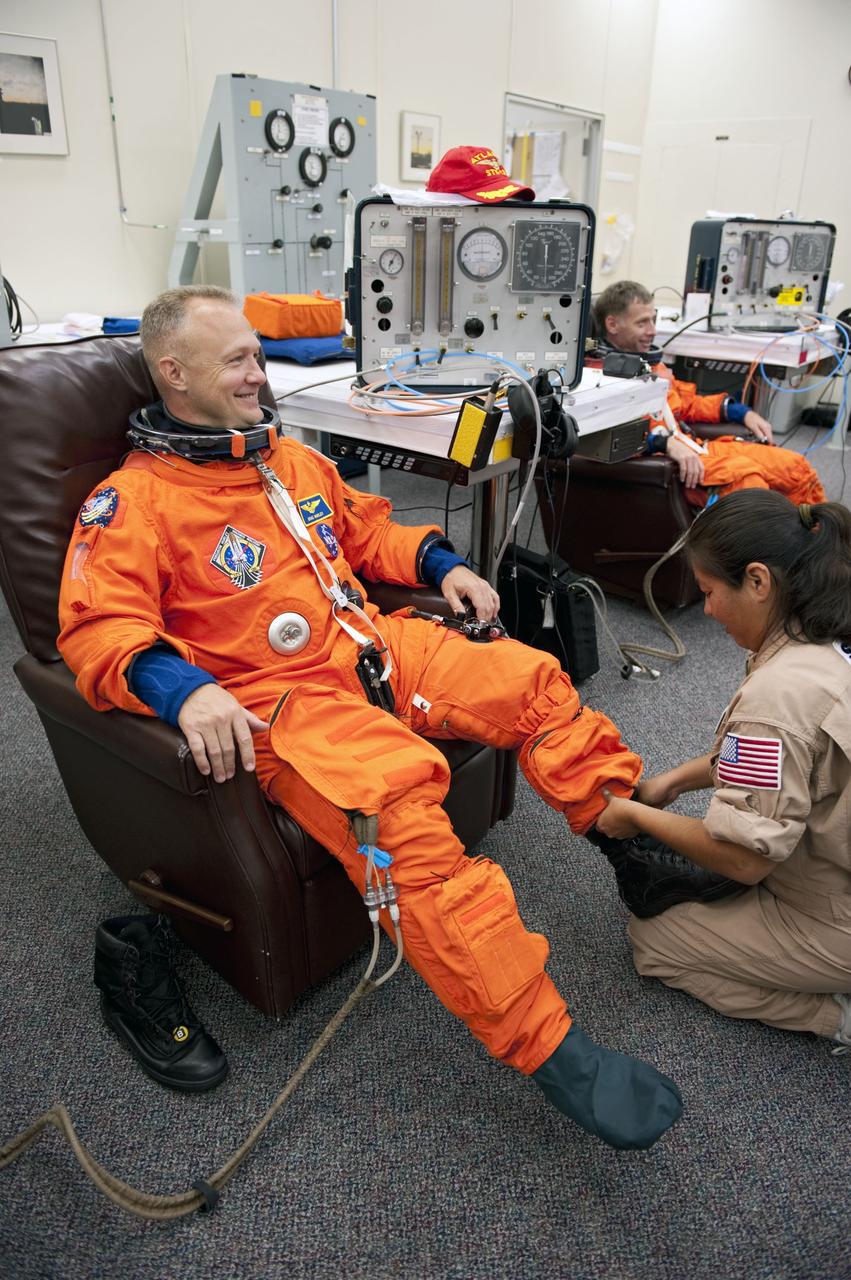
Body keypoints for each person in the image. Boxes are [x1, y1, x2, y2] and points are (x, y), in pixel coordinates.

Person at [57, 284, 683, 1149]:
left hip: (375, 648)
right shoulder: (134, 504)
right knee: (407, 825)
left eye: (254, 353)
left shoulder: (288, 461)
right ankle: (554, 1054)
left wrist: (441, 561)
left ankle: (626, 843)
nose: (256, 371)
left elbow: (362, 531)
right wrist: (184, 691)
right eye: (237, 358)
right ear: (173, 372)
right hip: (285, 704)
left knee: (531, 679)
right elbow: (97, 630)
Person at [595, 489, 851, 1054]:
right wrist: (671, 783)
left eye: (710, 592)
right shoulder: (823, 647)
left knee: (652, 940)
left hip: (836, 920)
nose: (706, 610)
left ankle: (835, 1015)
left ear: (757, 581)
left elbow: (745, 858)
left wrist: (635, 815)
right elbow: (782, 759)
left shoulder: (777, 698)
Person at [593, 281, 825, 505]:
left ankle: (813, 542)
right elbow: (603, 439)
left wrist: (741, 412)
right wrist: (662, 444)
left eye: (653, 320)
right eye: (642, 323)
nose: (653, 331)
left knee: (796, 469)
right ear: (612, 325)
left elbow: (688, 404)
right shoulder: (595, 381)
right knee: (751, 487)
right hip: (670, 465)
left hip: (694, 449)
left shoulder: (652, 368)